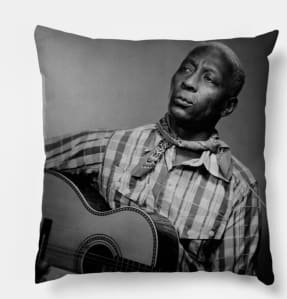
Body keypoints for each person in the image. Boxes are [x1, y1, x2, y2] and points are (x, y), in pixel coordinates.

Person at [43, 42, 273, 284]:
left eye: (209, 79)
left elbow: (229, 294)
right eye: (186, 69)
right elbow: (21, 162)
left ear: (228, 106)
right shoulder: (115, 145)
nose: (190, 82)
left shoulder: (238, 189)